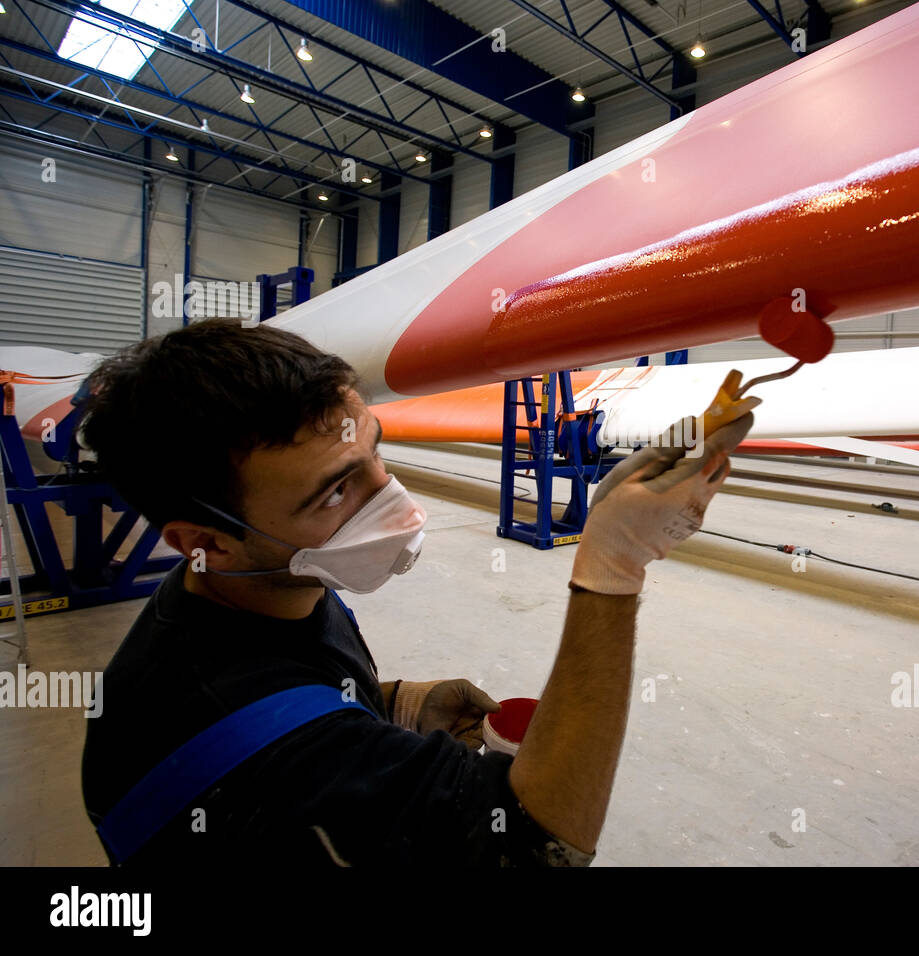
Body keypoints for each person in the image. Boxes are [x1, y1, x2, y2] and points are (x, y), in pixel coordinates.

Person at [79, 318, 756, 866]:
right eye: (337, 491)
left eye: (375, 451)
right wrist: (615, 565)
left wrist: (395, 704)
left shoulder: (260, 587)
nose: (394, 501)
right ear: (208, 540)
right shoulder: (255, 748)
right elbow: (536, 842)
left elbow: (283, 685)